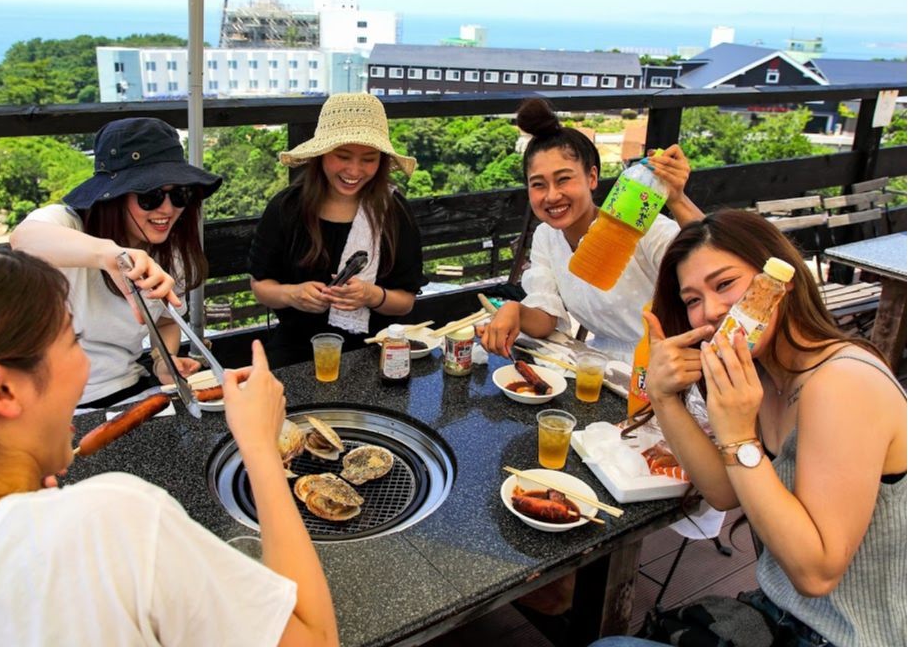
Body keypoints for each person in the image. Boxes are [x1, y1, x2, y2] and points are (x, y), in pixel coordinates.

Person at [0, 235, 339, 647]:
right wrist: (258, 447)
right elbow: (314, 640)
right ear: (2, 390)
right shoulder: (114, 521)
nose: (84, 364)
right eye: (73, 340)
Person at [593, 210, 905, 647]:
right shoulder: (765, 375)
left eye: (725, 284)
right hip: (784, 616)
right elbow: (723, 491)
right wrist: (664, 399)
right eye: (693, 299)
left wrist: (738, 435)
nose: (712, 311)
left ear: (782, 280)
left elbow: (816, 573)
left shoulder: (844, 383)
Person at [10, 117, 223, 408]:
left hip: (130, 392)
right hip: (57, 404)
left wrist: (164, 361)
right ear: (114, 197)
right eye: (151, 196)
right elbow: (23, 238)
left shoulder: (169, 253)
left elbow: (164, 319)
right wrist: (110, 255)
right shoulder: (68, 224)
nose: (168, 208)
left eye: (180, 195)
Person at [479, 97, 703, 362]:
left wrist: (677, 199)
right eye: (538, 184)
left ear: (592, 177)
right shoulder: (546, 237)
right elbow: (546, 320)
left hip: (674, 362)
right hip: (603, 362)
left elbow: (712, 260)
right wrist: (515, 310)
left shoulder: (635, 225)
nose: (551, 196)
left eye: (564, 179)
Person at [248, 93, 427, 366]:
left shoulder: (393, 210)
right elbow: (260, 285)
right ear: (321, 155)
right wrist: (292, 295)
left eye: (369, 159)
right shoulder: (288, 206)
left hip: (373, 350)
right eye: (342, 156)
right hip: (296, 350)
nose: (354, 170)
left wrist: (371, 295)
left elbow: (405, 300)